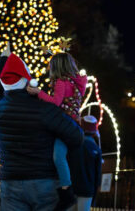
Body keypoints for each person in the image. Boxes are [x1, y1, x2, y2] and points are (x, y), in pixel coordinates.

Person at [0, 46, 84, 211]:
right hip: (44, 181)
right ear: (27, 81)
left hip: (11, 182)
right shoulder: (44, 109)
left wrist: (2, 61)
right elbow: (77, 136)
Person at [26, 53, 87, 210]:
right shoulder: (78, 82)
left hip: (63, 126)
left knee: (58, 156)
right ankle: (67, 188)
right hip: (75, 125)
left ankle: (67, 192)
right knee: (65, 157)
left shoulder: (61, 82)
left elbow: (55, 102)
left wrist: (38, 92)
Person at [67, 115, 102, 211]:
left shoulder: (72, 144)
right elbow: (97, 175)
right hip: (87, 189)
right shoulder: (95, 149)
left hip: (71, 187)